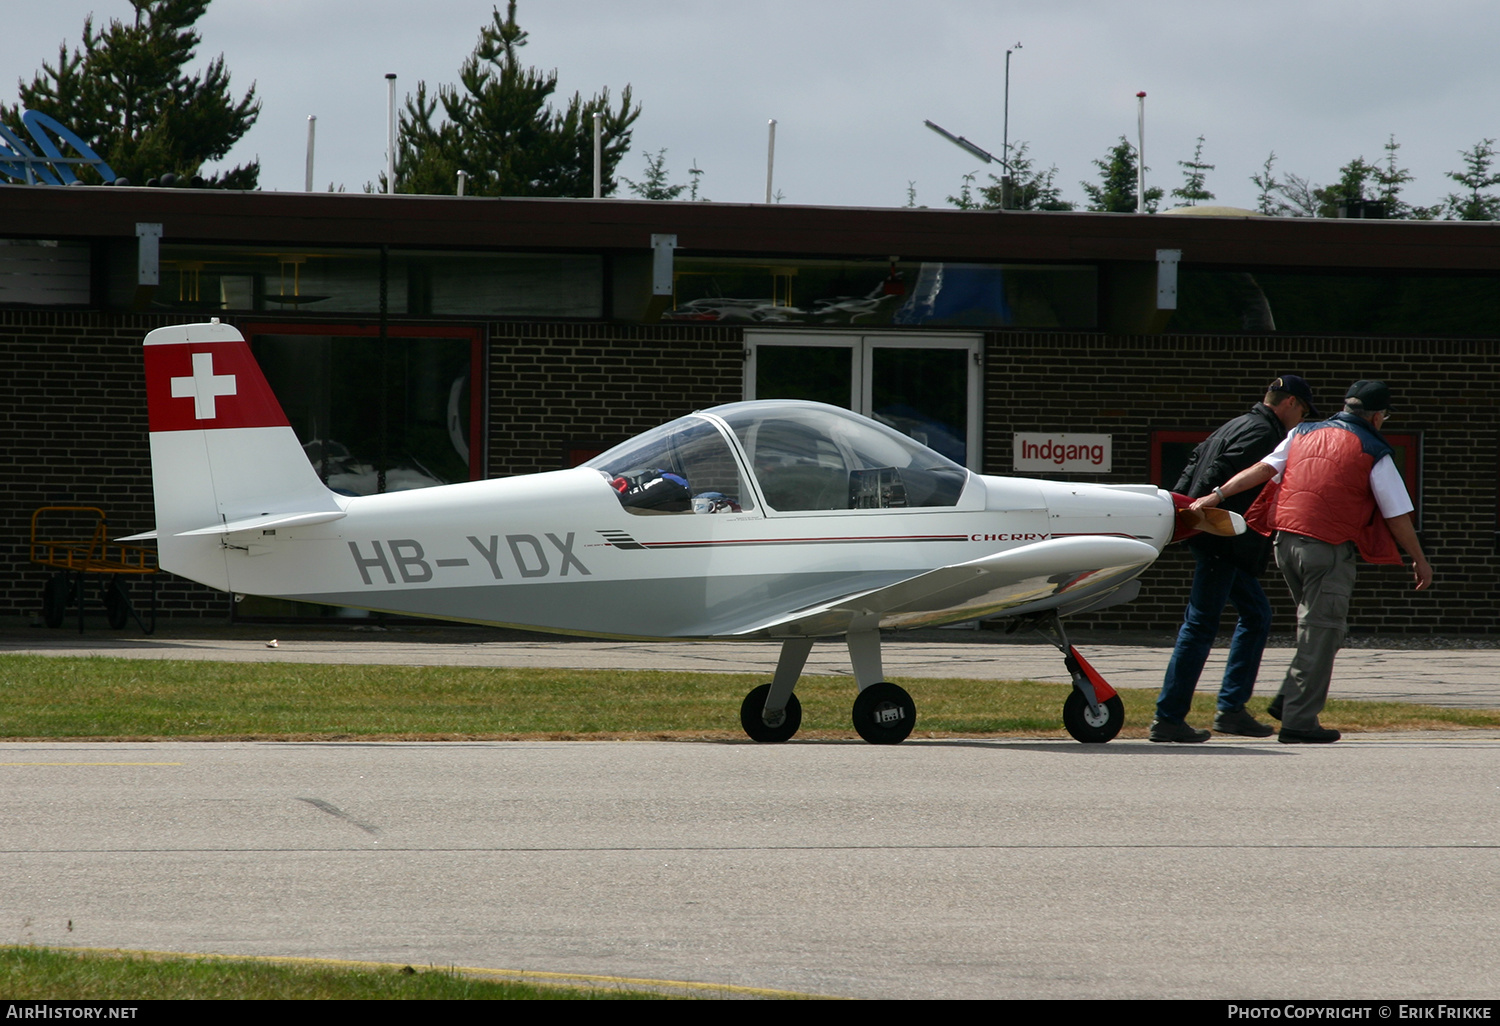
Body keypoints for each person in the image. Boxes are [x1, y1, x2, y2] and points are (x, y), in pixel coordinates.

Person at [1192, 380, 1433, 743]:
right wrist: (1419, 559)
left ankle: (1290, 698)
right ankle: (1299, 722)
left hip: (1284, 544)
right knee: (1323, 632)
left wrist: (1217, 495)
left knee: (1315, 629)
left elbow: (1262, 470)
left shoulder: (1302, 432)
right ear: (1378, 416)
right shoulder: (1372, 448)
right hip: (1327, 548)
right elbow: (1397, 514)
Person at [1150, 375, 1318, 743]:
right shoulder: (1263, 432)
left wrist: (1179, 505)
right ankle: (1169, 717)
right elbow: (1221, 472)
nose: (1301, 420)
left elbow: (1195, 460)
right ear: (1289, 403)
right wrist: (1204, 509)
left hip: (1216, 537)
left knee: (1257, 615)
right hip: (1220, 539)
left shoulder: (1237, 423)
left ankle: (1232, 710)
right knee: (1200, 626)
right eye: (1302, 411)